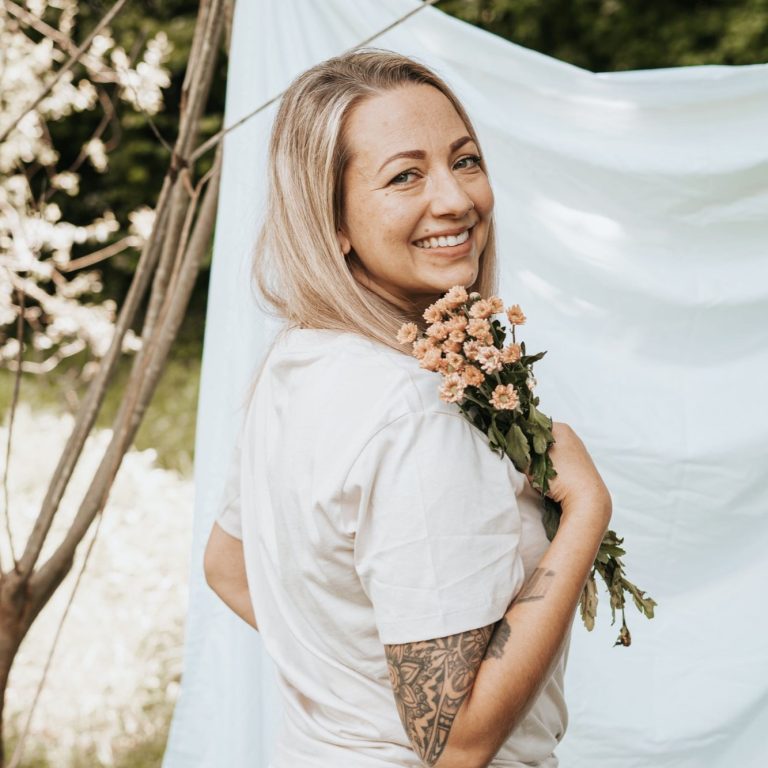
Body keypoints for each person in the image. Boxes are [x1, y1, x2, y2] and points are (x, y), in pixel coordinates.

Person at [203, 48, 611, 768]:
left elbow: (229, 564)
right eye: (405, 176)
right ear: (334, 224)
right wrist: (584, 512)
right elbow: (458, 742)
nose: (455, 199)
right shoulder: (417, 413)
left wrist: (354, 687)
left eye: (465, 160)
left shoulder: (301, 361)